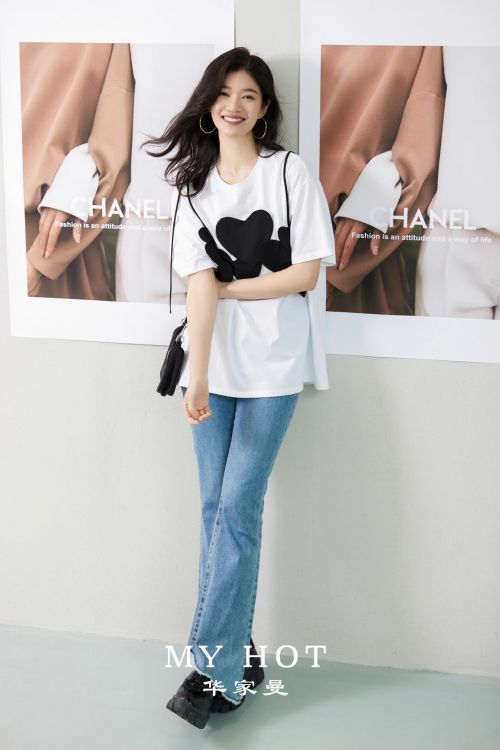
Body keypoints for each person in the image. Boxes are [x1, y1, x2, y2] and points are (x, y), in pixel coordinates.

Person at [144, 47, 336, 729]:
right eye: (224, 93)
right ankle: (236, 657)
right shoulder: (193, 189)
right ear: (208, 105)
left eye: (249, 95)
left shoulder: (288, 173)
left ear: (264, 108)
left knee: (237, 508)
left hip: (274, 365)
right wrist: (197, 375)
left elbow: (306, 273)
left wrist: (228, 289)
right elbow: (198, 291)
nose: (234, 105)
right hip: (215, 369)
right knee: (214, 510)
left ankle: (211, 669)